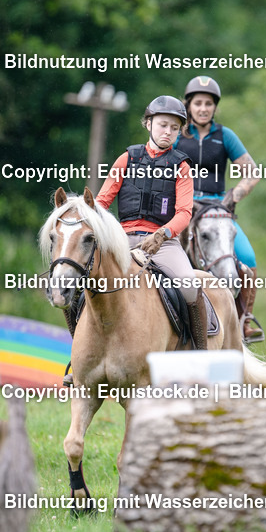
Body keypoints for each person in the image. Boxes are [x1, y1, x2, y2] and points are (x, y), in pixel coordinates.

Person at [95, 95, 207, 349]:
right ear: (148, 124)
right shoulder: (127, 159)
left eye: (175, 128)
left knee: (189, 286)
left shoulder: (181, 166)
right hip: (122, 240)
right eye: (162, 125)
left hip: (162, 243)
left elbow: (184, 213)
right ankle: (79, 355)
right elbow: (101, 203)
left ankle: (200, 350)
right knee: (83, 279)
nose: (168, 132)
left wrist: (162, 235)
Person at [175, 76, 264, 343]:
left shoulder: (225, 136)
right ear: (189, 105)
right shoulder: (178, 136)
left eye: (209, 104)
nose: (203, 108)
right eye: (198, 103)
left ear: (215, 107)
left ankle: (244, 320)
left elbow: (252, 172)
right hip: (184, 207)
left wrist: (234, 194)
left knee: (247, 259)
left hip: (217, 209)